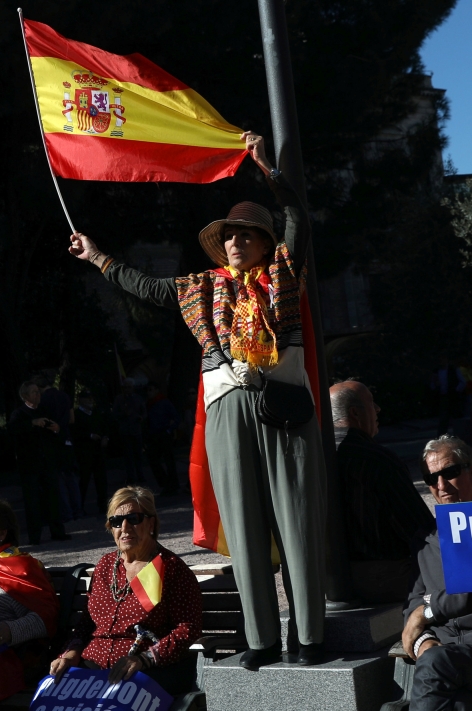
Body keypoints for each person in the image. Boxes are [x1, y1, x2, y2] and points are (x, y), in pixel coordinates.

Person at [68, 132, 329, 668]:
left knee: (296, 520)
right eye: (229, 235)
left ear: (262, 241)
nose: (234, 242)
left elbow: (299, 221)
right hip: (226, 408)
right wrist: (96, 257)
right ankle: (260, 640)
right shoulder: (198, 288)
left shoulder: (283, 272)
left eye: (245, 235)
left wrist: (269, 172)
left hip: (282, 405)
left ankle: (309, 636)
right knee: (245, 520)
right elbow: (143, 285)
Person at [403, 435, 472, 711]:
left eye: (450, 473)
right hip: (444, 654)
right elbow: (412, 603)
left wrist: (429, 612)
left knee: (435, 666)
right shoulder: (427, 539)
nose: (441, 486)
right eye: (431, 479)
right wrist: (423, 641)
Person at [49, 487, 201, 694]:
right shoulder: (105, 565)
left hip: (143, 671)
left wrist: (144, 659)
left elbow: (187, 629)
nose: (125, 527)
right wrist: (70, 652)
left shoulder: (170, 568)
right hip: (93, 665)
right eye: (117, 521)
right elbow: (88, 623)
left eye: (134, 518)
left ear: (151, 523)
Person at [330, 380, 435, 602]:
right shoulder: (376, 459)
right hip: (381, 577)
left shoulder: (314, 456)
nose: (378, 409)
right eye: (371, 403)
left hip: (326, 578)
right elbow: (418, 530)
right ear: (355, 413)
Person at [0, 499, 59, 704]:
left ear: (2, 533)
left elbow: (47, 616)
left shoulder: (20, 567)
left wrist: (10, 630)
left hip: (7, 662)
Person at [6, 382, 69, 544]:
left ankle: (57, 530)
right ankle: (35, 535)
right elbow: (14, 430)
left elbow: (58, 430)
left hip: (47, 462)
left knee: (53, 497)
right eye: (34, 392)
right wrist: (32, 423)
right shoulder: (19, 414)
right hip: (30, 464)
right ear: (25, 396)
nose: (38, 395)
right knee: (32, 500)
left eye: (38, 392)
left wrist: (55, 428)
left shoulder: (45, 410)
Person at [35, 376, 82, 521]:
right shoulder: (64, 396)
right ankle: (78, 511)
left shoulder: (42, 401)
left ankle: (66, 513)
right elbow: (71, 419)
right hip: (66, 439)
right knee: (71, 478)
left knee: (59, 480)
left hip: (52, 442)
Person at [72, 390, 110, 515]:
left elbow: (104, 427)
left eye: (91, 398)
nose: (90, 401)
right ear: (80, 400)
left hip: (98, 451)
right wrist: (89, 435)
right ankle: (79, 507)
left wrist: (105, 437)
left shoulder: (96, 413)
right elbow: (74, 433)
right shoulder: (77, 415)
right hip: (85, 452)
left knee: (101, 480)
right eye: (87, 398)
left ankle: (103, 506)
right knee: (84, 481)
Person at [145, 384, 182, 496]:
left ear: (156, 390)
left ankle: (172, 484)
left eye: (151, 389)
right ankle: (166, 483)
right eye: (148, 390)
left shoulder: (163, 402)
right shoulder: (149, 404)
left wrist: (169, 430)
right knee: (154, 460)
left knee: (168, 460)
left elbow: (176, 418)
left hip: (163, 434)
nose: (149, 392)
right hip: (154, 435)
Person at [111, 379, 148, 487]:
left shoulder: (138, 398)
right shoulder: (119, 399)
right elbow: (115, 414)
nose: (127, 389)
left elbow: (144, 412)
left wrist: (141, 418)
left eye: (129, 387)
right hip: (125, 431)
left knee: (138, 454)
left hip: (136, 430)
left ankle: (140, 474)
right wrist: (123, 414)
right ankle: (131, 476)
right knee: (128, 455)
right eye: (125, 387)